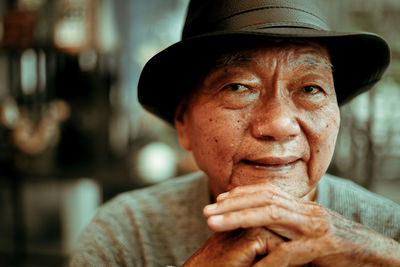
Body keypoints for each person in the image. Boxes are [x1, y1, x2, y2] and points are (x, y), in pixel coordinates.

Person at [70, 0, 400, 266]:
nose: (279, 125)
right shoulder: (126, 237)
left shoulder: (388, 234)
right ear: (184, 122)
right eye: (238, 87)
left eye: (311, 88)